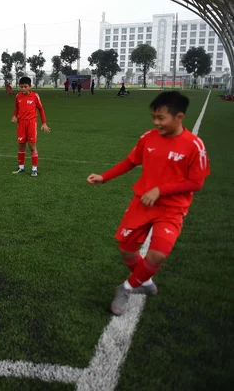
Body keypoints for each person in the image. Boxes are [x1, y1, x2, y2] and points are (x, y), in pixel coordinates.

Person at [87, 91, 210, 316]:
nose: (156, 122)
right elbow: (130, 161)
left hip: (172, 209)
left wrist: (160, 190)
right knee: (126, 250)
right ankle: (142, 280)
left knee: (158, 254)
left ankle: (125, 288)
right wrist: (104, 177)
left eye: (161, 118)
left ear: (179, 117)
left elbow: (197, 182)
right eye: (154, 117)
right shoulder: (148, 138)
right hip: (142, 202)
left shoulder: (194, 145)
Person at [11, 76, 51, 177]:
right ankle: (21, 167)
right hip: (21, 124)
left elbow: (41, 109)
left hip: (31, 123)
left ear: (30, 87)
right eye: (21, 87)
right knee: (21, 145)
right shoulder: (18, 96)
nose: (23, 89)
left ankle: (34, 169)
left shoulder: (35, 96)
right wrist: (14, 115)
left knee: (32, 147)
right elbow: (17, 108)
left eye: (25, 87)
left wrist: (44, 123)